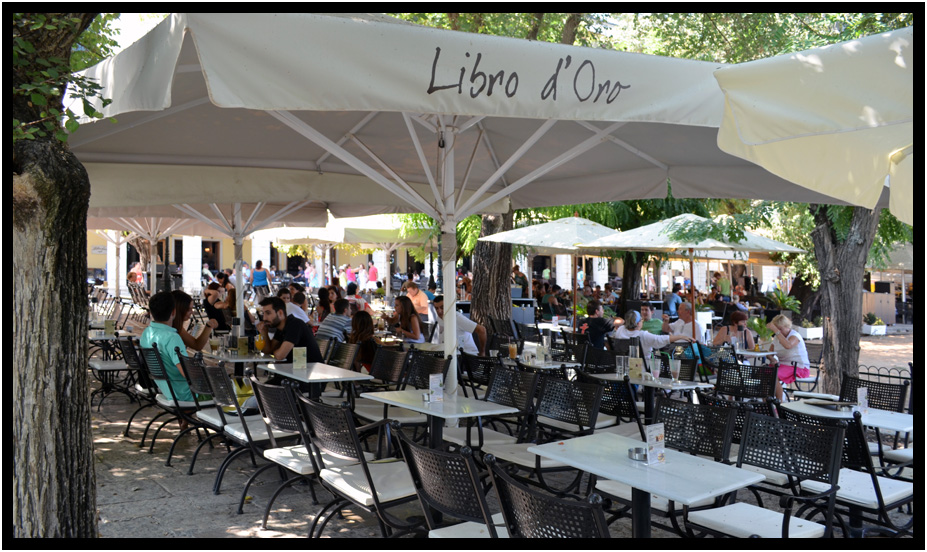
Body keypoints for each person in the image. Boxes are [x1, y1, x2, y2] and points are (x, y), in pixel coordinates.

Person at [139, 291, 196, 402]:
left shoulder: (147, 333)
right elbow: (187, 373)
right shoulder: (172, 338)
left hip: (167, 390)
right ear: (173, 312)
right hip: (186, 395)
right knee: (227, 388)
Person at [256, 297, 323, 363]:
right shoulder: (280, 328)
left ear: (280, 313)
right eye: (263, 313)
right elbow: (268, 351)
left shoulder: (295, 325)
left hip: (310, 368)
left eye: (268, 313)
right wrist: (263, 332)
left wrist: (274, 351)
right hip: (295, 368)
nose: (264, 318)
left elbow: (280, 356)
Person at [615, 309, 694, 358]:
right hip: (643, 368)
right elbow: (662, 339)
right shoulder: (643, 335)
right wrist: (680, 336)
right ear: (639, 323)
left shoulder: (620, 330)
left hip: (622, 365)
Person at [767, 314, 810, 402]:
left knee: (773, 375)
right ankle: (766, 403)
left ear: (787, 327)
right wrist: (772, 359)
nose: (779, 332)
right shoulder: (777, 338)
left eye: (780, 329)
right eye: (777, 329)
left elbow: (788, 345)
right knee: (763, 374)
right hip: (782, 366)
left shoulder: (795, 336)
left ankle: (779, 403)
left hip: (798, 367)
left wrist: (776, 331)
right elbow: (769, 353)